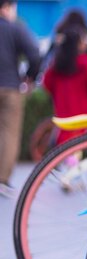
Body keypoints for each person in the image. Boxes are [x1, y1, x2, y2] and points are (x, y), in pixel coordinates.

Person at [0, 0, 40, 196]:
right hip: (10, 86)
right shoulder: (15, 29)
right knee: (9, 134)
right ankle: (2, 180)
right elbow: (35, 53)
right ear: (7, 6)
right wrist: (29, 77)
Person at [43, 26, 87, 145]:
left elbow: (46, 84)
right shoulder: (86, 62)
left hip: (63, 120)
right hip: (83, 120)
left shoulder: (56, 65)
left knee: (65, 152)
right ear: (78, 44)